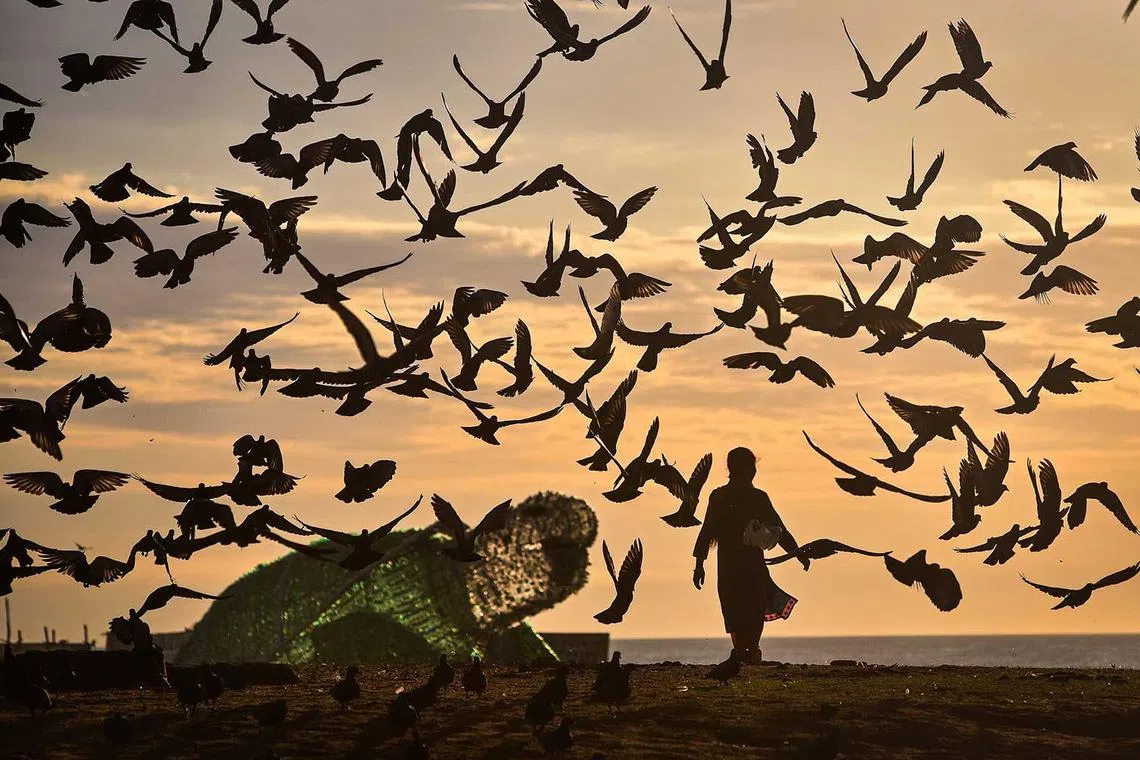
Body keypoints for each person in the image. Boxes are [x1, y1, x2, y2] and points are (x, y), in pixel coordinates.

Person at [693, 446, 807, 664]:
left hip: (728, 566)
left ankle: (745, 655)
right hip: (750, 566)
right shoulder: (754, 497)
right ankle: (749, 654)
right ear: (746, 470)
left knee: (736, 611)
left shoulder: (721, 496)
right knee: (751, 611)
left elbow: (706, 532)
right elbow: (779, 529)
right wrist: (797, 553)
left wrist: (699, 564)